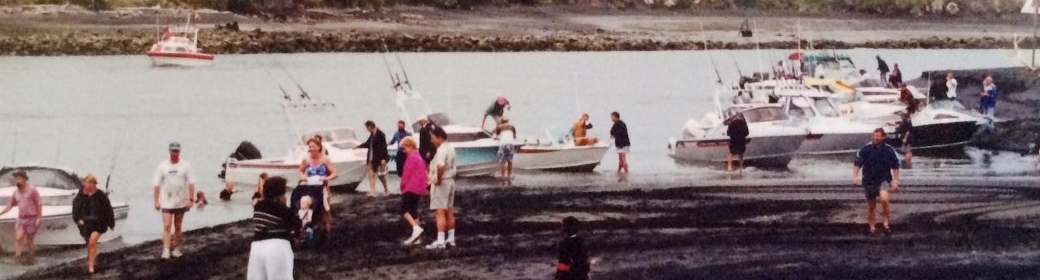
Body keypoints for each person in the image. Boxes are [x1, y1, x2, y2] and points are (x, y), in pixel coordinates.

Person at [247, 177, 301, 280]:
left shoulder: (258, 206)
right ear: (280, 195)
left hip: (257, 247)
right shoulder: (284, 211)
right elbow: (296, 224)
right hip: (278, 246)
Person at [852, 128, 901, 236]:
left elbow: (896, 166)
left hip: (883, 179)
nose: (875, 137)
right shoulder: (866, 149)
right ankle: (872, 227)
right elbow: (857, 163)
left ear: (883, 137)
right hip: (869, 180)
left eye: (877, 135)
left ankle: (886, 223)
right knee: (871, 206)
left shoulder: (889, 150)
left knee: (884, 199)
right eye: (874, 135)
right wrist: (855, 177)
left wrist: (896, 181)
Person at [152, 142, 196, 260]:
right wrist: (156, 201)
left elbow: (191, 182)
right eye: (172, 151)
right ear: (169, 151)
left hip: (180, 199)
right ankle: (166, 249)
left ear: (179, 152)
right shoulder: (163, 166)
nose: (174, 153)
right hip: (166, 199)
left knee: (178, 226)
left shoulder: (185, 165)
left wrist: (191, 199)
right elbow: (156, 184)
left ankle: (176, 248)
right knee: (167, 225)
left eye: (176, 151)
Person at [72, 174, 115, 274]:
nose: (86, 185)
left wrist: (111, 223)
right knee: (89, 244)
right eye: (86, 183)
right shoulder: (81, 196)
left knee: (92, 241)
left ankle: (91, 266)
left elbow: (109, 209)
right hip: (86, 224)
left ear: (93, 184)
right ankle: (93, 262)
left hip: (99, 223)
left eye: (88, 183)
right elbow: (75, 209)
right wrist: (78, 220)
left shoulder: (101, 195)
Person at [425, 127, 458, 250]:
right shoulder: (451, 148)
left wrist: (438, 180)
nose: (432, 141)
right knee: (449, 211)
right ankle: (451, 238)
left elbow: (440, 166)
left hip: (443, 182)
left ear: (440, 137)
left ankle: (440, 241)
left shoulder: (441, 150)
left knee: (439, 212)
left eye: (433, 138)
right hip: (450, 181)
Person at [0, 170, 42, 264]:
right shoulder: (16, 192)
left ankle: (31, 258)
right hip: (21, 218)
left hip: (32, 217)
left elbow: (39, 204)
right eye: (15, 179)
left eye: (19, 178)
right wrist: (1, 213)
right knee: (18, 238)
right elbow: (10, 205)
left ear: (24, 179)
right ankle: (17, 257)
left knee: (29, 241)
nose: (16, 181)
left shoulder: (32, 190)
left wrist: (39, 218)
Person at [299, 138, 337, 236]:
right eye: (310, 147)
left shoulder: (325, 159)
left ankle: (327, 231)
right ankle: (311, 232)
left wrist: (327, 178)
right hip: (310, 188)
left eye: (313, 146)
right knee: (311, 210)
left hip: (323, 187)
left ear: (319, 147)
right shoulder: (306, 159)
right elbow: (301, 170)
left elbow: (335, 173)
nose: (311, 149)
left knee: (325, 210)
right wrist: (303, 178)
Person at [399, 137, 428, 245]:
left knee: (404, 210)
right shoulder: (419, 157)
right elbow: (424, 174)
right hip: (418, 188)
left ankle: (416, 228)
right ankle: (418, 238)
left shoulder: (411, 157)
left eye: (404, 148)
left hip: (411, 187)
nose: (403, 151)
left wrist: (402, 186)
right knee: (413, 211)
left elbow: (406, 174)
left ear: (410, 146)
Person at [357, 120, 390, 197]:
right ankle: (372, 191)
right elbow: (368, 143)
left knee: (381, 176)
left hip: (379, 158)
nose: (367, 130)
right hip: (371, 158)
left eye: (367, 128)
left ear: (370, 127)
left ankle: (386, 189)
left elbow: (384, 147)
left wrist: (384, 158)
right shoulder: (372, 134)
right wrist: (358, 146)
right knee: (370, 174)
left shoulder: (381, 134)